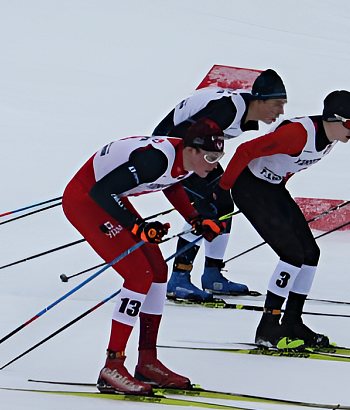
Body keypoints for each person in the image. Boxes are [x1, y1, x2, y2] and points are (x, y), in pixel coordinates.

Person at [62, 121, 228, 395]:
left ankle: (147, 362)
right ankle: (112, 365)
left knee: (158, 270)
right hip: (86, 200)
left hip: (109, 196)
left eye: (219, 158)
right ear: (191, 150)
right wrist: (136, 226)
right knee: (139, 274)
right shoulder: (156, 159)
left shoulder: (182, 161)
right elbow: (102, 192)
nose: (214, 165)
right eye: (210, 158)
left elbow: (172, 185)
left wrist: (195, 219)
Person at [219, 91, 350, 351]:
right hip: (248, 186)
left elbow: (288, 165)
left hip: (272, 188)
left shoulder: (330, 139)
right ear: (333, 119)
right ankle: (269, 327)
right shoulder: (298, 134)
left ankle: (293, 322)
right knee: (292, 254)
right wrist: (223, 191)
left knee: (310, 253)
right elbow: (245, 150)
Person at [153, 69, 288, 301]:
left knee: (224, 203)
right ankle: (178, 279)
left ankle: (213, 275)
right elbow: (180, 136)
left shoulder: (243, 113)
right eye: (276, 104)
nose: (281, 111)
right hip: (172, 151)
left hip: (194, 152)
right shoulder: (228, 109)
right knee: (206, 209)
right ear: (258, 99)